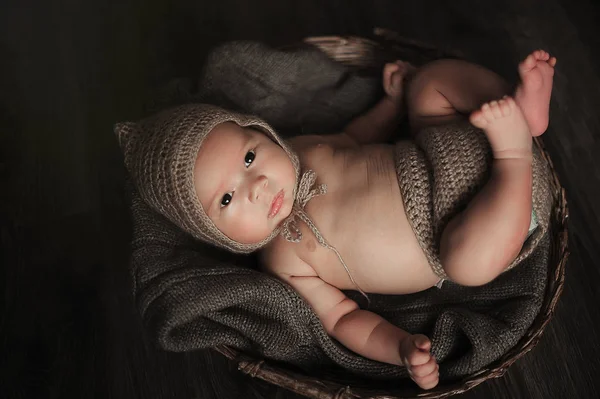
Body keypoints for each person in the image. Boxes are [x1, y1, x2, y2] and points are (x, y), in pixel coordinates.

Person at [116, 50, 555, 390]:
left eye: (250, 156)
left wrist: (393, 103)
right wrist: (398, 347)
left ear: (261, 131)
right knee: (468, 266)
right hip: (489, 218)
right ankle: (516, 153)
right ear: (216, 236)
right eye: (227, 198)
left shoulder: (301, 148)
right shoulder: (283, 261)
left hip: (449, 142)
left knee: (429, 84)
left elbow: (356, 136)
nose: (257, 186)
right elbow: (343, 319)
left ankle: (522, 113)